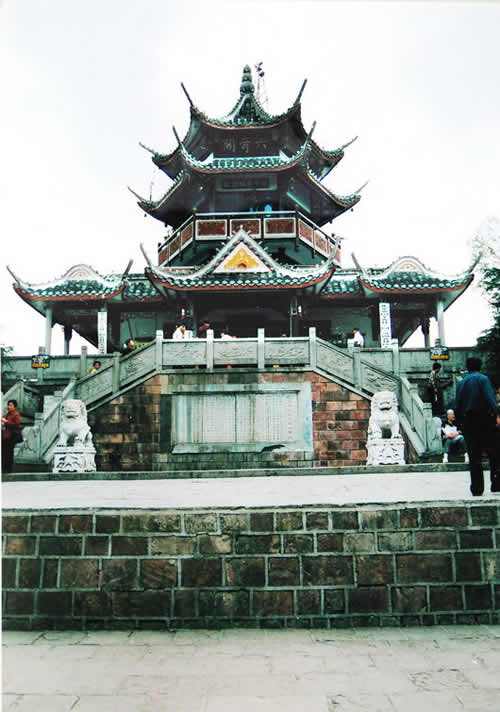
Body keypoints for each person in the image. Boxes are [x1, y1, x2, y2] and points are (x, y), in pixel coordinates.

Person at [455, 357, 500, 496]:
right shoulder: (483, 379)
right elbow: (490, 399)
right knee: (494, 452)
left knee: (474, 456)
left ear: (467, 367)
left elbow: (458, 405)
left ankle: (477, 488)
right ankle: (496, 483)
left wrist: (460, 423)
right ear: (480, 366)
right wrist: (497, 413)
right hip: (485, 419)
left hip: (468, 421)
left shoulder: (461, 383)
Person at [2, 399, 22, 474]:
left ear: (14, 407)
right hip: (4, 436)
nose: (9, 406)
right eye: (8, 405)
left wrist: (6, 422)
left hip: (11, 436)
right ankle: (3, 468)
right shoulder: (7, 414)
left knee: (9, 453)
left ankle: (8, 469)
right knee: (4, 453)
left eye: (10, 405)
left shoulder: (16, 414)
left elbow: (16, 425)